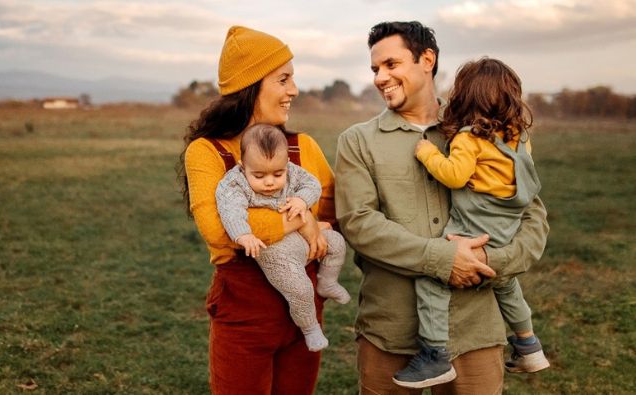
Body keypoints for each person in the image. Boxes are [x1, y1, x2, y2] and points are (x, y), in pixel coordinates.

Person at [334, 21, 550, 394]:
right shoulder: (357, 141)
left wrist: (486, 261)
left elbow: (531, 216)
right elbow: (359, 225)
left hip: (475, 330)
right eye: (374, 69)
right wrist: (443, 258)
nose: (380, 78)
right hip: (390, 329)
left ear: (427, 59)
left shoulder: (486, 128)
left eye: (391, 64)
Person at [178, 25, 337, 394]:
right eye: (283, 79)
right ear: (250, 87)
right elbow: (219, 230)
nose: (293, 90)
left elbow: (340, 216)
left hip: (304, 315)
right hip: (243, 314)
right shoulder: (207, 152)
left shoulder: (303, 147)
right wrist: (303, 220)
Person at [391, 57, 550, 389]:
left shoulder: (469, 138)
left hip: (473, 228)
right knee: (506, 284)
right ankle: (528, 343)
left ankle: (435, 356)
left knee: (431, 281)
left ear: (464, 97)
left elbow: (454, 175)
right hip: (506, 229)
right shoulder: (518, 137)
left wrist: (426, 153)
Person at [215, 123, 350, 352]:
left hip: (301, 236)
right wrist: (243, 234)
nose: (269, 182)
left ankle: (328, 282)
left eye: (278, 174)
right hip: (274, 250)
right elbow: (230, 209)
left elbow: (312, 184)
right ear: (242, 165)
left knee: (336, 242)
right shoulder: (234, 183)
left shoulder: (291, 171)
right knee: (299, 288)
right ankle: (310, 328)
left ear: (286, 164)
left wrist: (302, 200)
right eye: (258, 175)